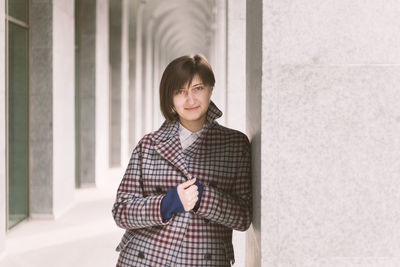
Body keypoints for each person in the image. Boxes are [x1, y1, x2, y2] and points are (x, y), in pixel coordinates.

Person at [112, 54, 252, 266]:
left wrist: (203, 198)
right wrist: (167, 203)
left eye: (198, 88)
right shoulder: (149, 144)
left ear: (210, 88)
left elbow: (243, 217)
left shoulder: (235, 144)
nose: (191, 100)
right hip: (144, 259)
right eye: (180, 92)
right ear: (170, 98)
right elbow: (121, 211)